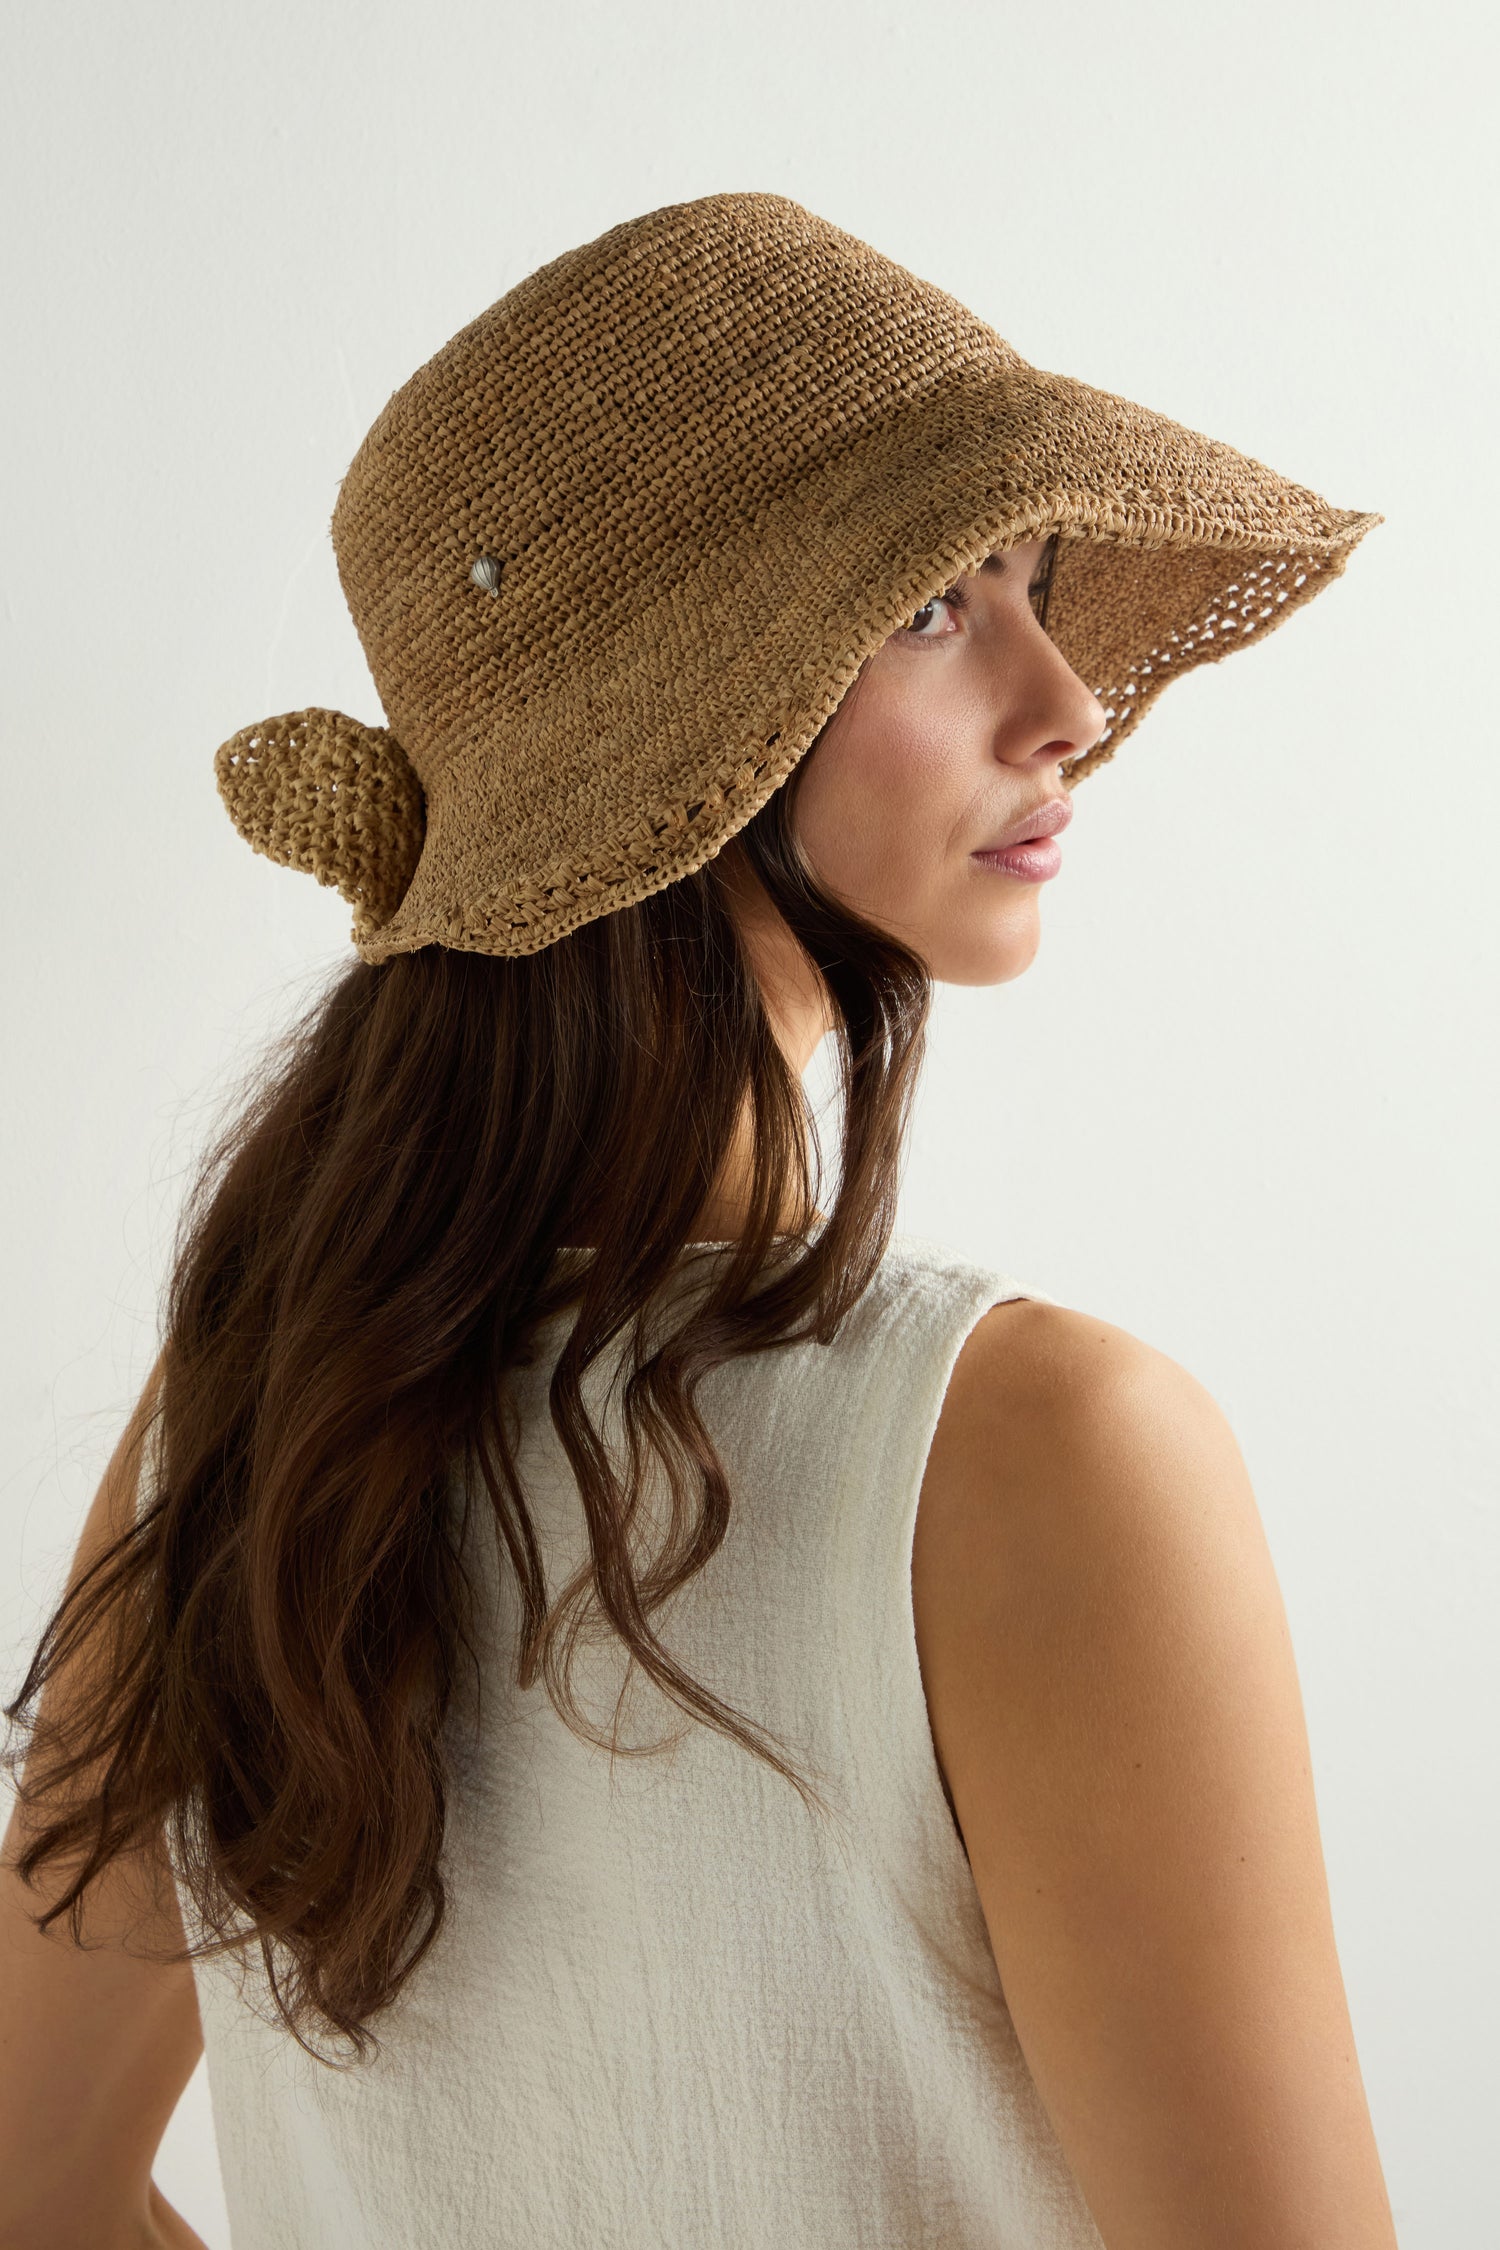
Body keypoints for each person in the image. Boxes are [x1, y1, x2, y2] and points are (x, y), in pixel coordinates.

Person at [1, 191, 1397, 2249]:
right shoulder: (1033, 1457)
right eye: (936, 607)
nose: (1066, 697)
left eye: (1026, 580)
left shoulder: (248, 1425)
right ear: (688, 714)